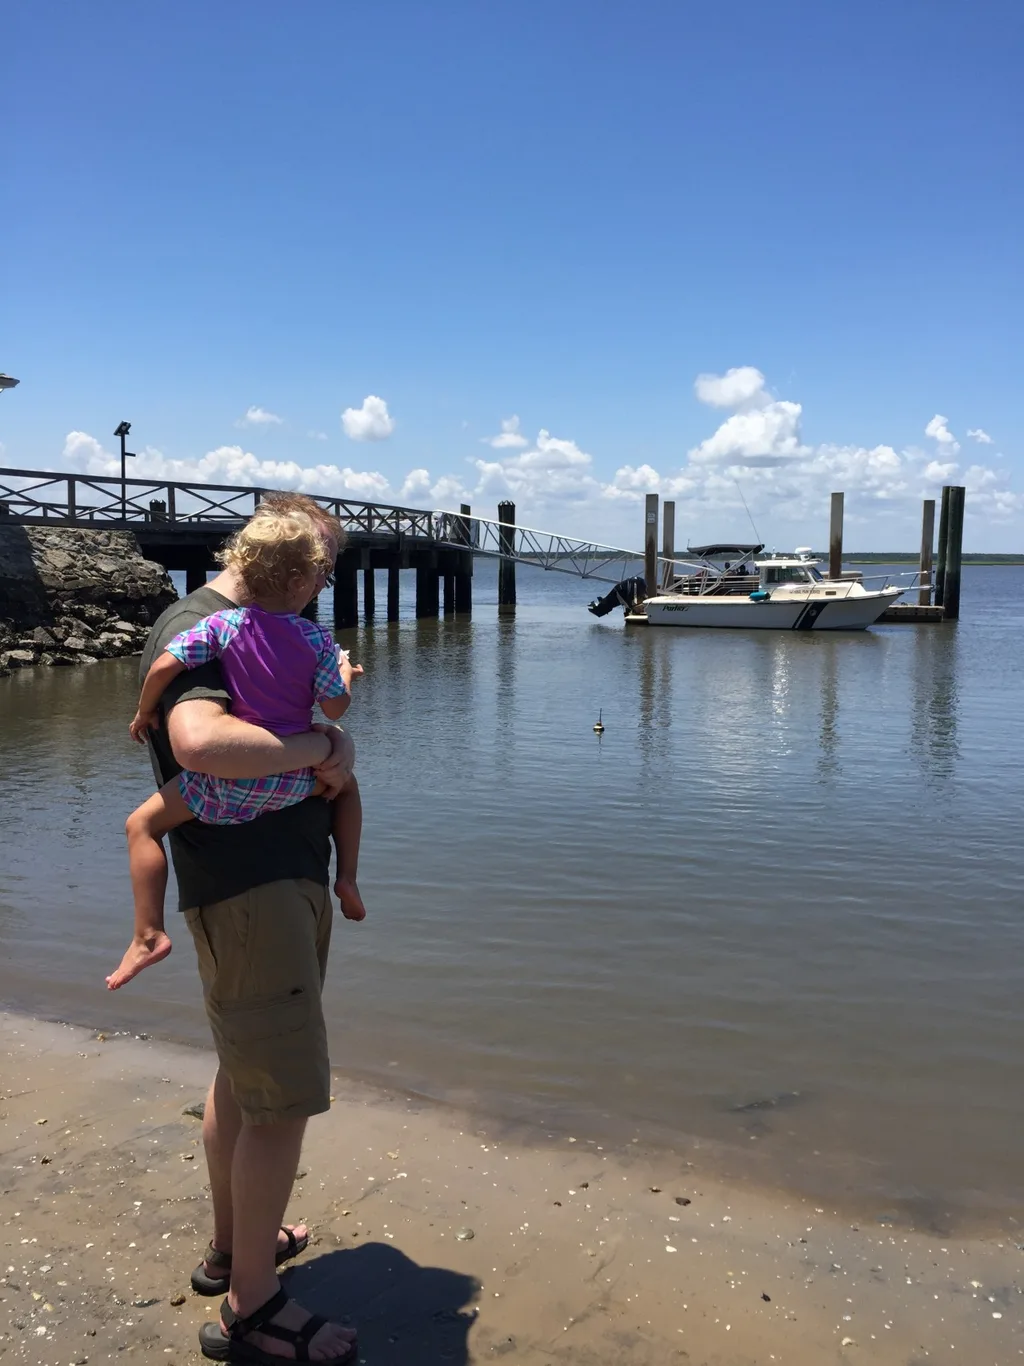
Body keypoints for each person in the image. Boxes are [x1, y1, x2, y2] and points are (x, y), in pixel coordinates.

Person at [131, 492, 361, 1365]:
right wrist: (323, 751)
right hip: (252, 886)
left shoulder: (244, 626)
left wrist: (323, 742)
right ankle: (252, 1310)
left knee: (245, 1077)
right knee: (285, 1098)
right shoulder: (206, 625)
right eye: (322, 566)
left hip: (263, 882)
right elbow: (198, 743)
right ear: (288, 561)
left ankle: (237, 1248)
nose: (323, 584)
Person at [106, 503, 365, 993]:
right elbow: (331, 708)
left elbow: (164, 668)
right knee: (346, 789)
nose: (322, 584)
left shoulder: (224, 629)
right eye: (322, 572)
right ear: (301, 578)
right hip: (257, 871)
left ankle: (147, 931)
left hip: (231, 803)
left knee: (141, 824)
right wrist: (334, 712)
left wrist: (143, 710)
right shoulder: (316, 639)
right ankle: (349, 876)